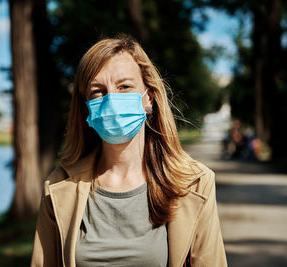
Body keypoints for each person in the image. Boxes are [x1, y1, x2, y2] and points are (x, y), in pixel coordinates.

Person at [31, 35, 227, 267]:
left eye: (124, 87)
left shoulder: (194, 184)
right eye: (97, 91)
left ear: (149, 98)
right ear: (86, 107)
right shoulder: (58, 187)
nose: (112, 100)